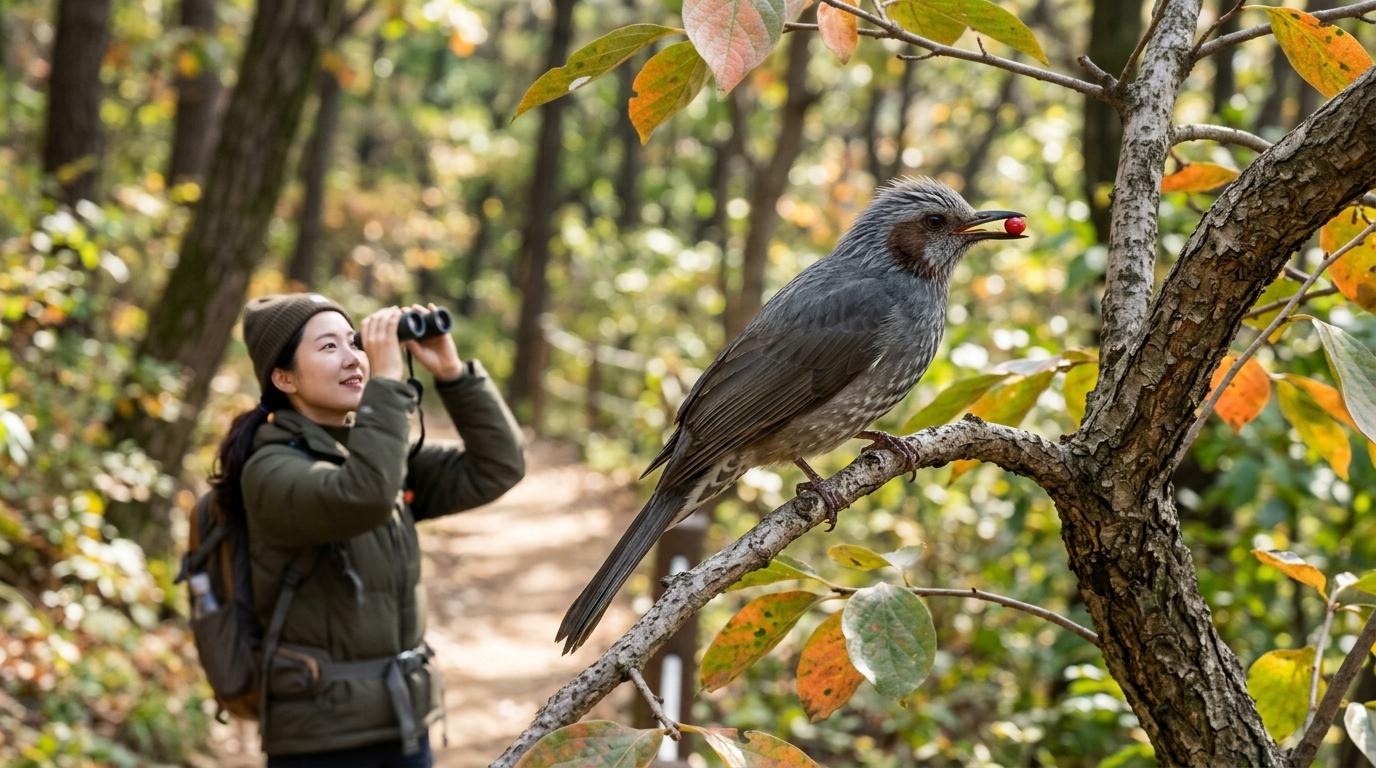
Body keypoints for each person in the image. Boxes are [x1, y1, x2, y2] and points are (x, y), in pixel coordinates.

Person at [212, 293, 525, 767]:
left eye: (355, 343)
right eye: (328, 347)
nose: (353, 358)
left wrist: (452, 375)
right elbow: (364, 496)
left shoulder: (374, 452)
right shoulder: (270, 469)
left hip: (403, 721)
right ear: (283, 377)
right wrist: (388, 384)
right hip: (321, 741)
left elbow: (498, 466)